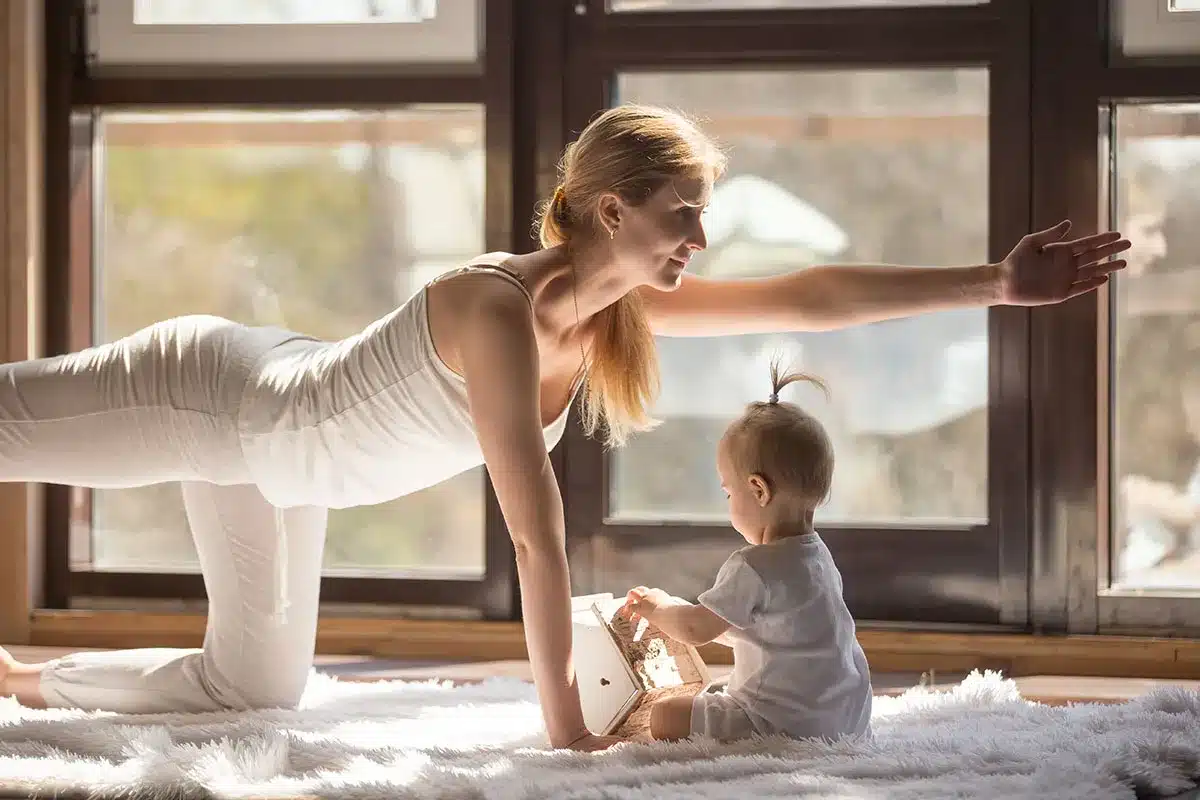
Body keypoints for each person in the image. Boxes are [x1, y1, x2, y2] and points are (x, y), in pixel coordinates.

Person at [0, 103, 1130, 752]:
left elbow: (812, 294)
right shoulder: (497, 307)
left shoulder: (610, 317)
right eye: (682, 215)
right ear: (611, 210)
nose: (697, 239)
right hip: (214, 391)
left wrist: (997, 281)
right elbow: (535, 544)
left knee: (255, 691)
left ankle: (26, 681)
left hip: (279, 469)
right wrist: (566, 736)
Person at [620, 362, 871, 743]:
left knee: (666, 714)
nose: (727, 502)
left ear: (758, 490)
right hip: (842, 720)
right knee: (723, 687)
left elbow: (695, 629)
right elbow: (760, 628)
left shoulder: (753, 566)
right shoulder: (818, 558)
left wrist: (658, 608)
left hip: (781, 726)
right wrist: (681, 610)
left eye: (728, 492)